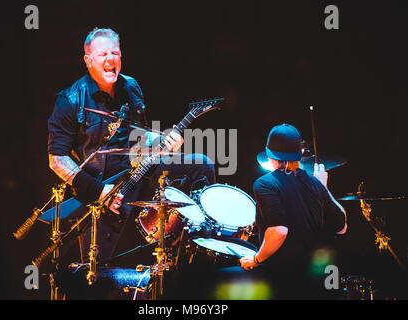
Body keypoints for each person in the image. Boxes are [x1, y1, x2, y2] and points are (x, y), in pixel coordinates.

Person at [47, 27, 215, 265]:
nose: (110, 60)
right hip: (101, 189)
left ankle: (194, 243)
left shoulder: (131, 87)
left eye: (115, 53)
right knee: (94, 270)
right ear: (88, 60)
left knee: (201, 165)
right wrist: (98, 191)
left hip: (140, 171)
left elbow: (141, 139)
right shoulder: (70, 100)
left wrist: (163, 142)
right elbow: (57, 159)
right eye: (103, 54)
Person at [239, 123, 347, 298]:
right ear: (298, 155)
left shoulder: (265, 183)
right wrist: (324, 188)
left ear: (269, 155)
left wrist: (256, 259)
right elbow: (341, 226)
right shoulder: (314, 183)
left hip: (281, 279)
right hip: (315, 279)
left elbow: (279, 230)